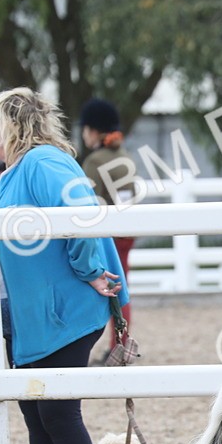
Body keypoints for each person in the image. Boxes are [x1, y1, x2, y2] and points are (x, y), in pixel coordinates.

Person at [0, 88, 129, 444]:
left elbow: (81, 213)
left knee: (58, 412)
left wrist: (89, 273)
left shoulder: (43, 163)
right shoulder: (12, 174)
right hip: (34, 316)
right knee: (36, 413)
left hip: (63, 309)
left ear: (7, 126)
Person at [78, 98, 135, 353]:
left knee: (113, 289)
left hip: (107, 234)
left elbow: (82, 201)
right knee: (121, 287)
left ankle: (118, 347)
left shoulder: (95, 161)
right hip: (126, 231)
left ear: (93, 130)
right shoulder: (125, 156)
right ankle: (119, 343)